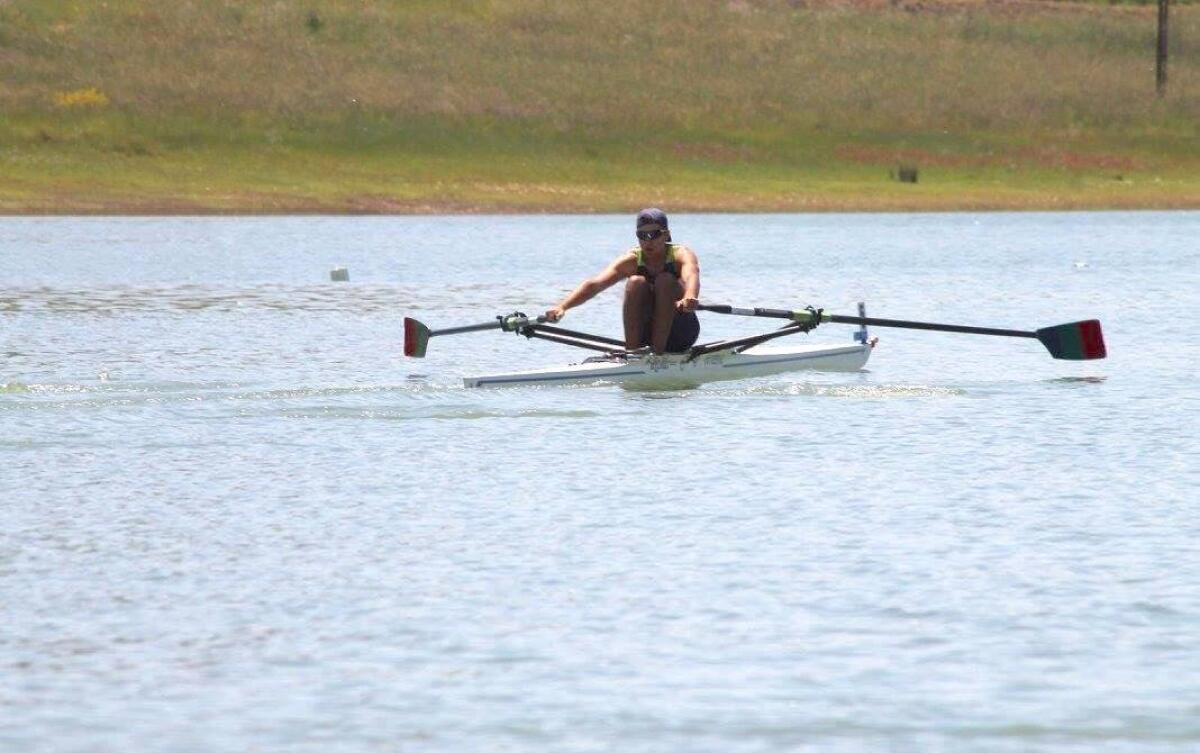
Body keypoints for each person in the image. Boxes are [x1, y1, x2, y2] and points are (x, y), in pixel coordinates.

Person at [544, 208, 701, 354]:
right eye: (642, 235)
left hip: (681, 333)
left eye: (654, 234)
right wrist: (562, 307)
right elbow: (594, 285)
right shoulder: (631, 260)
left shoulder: (681, 255)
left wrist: (690, 296)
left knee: (664, 280)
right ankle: (632, 353)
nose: (648, 241)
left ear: (666, 235)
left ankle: (657, 354)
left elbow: (691, 276)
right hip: (645, 334)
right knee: (635, 282)